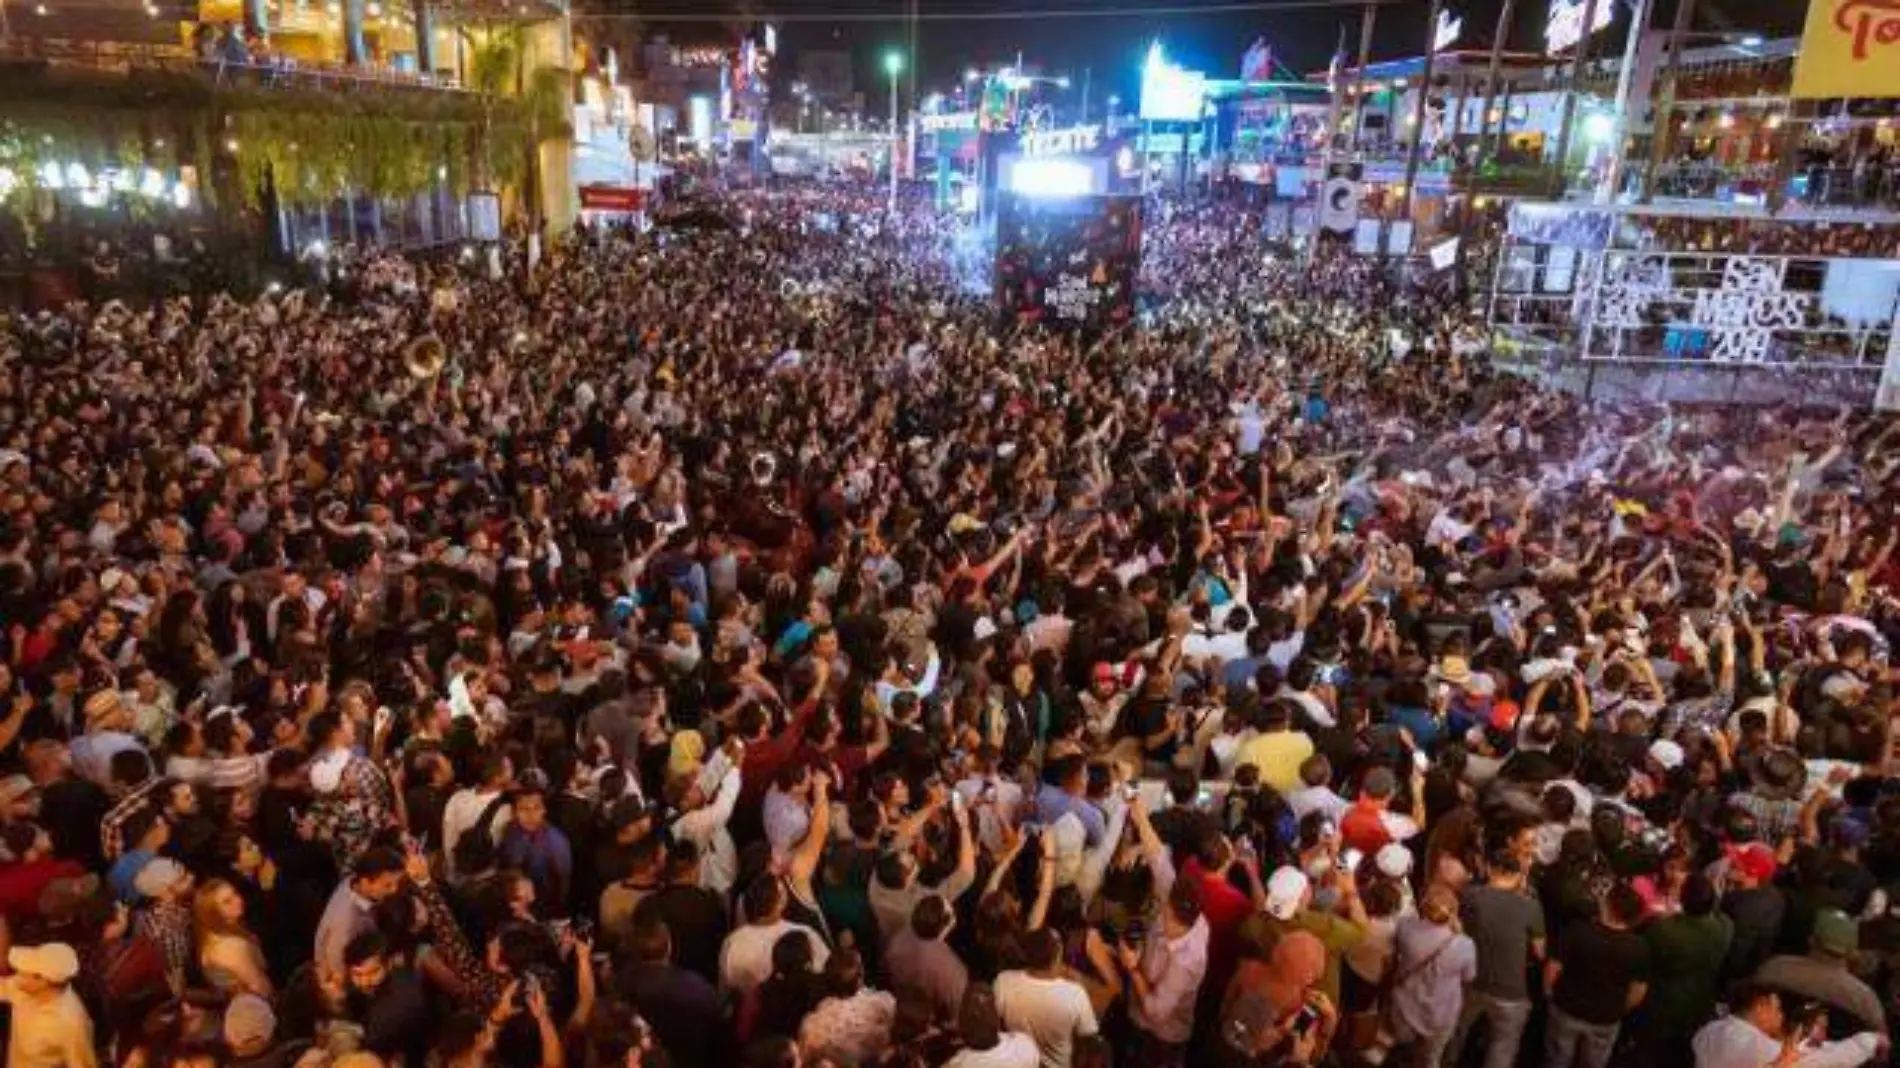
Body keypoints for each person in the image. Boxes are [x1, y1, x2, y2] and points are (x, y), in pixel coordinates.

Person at [1450, 849, 1547, 1068]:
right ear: (1519, 874)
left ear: (1490, 869)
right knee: (1503, 1047)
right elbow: (1540, 952)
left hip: (1471, 981)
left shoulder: (1469, 895)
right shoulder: (1530, 906)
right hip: (1511, 990)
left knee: (1456, 1031)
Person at [1545, 883, 1652, 1068]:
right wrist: (1619, 1009)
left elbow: (1552, 969)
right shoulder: (1639, 948)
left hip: (1566, 1010)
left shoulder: (1577, 931)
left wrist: (1549, 993)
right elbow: (1638, 992)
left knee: (1557, 1059)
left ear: (1608, 906)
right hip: (1605, 1019)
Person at [1691, 981, 1884, 1068]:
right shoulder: (1758, 1047)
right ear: (1760, 1007)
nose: (1781, 1016)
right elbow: (1828, 1060)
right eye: (1777, 1008)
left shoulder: (1709, 1030)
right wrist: (1870, 1040)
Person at [1388, 884, 1477, 1068]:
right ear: (1454, 911)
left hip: (1406, 1006)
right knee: (1432, 1059)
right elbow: (1469, 977)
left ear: (1423, 907)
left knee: (1403, 1053)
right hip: (1443, 1012)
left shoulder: (1406, 930)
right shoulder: (1464, 944)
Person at [996, 928, 1099, 1068]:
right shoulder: (1074, 994)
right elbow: (1089, 1041)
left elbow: (996, 1027)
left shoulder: (1003, 981)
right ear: (1057, 956)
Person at [0, 942, 97, 1068]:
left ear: (42, 981)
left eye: (23, 973)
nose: (17, 977)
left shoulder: (72, 1024)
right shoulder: (24, 989)